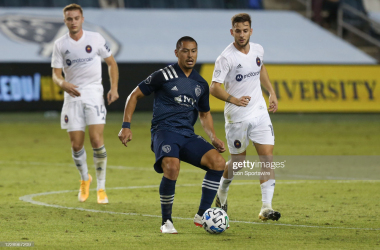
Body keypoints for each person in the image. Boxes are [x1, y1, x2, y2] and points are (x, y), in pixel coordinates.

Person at [118, 36, 226, 234]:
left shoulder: (200, 83)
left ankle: (202, 215)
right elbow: (134, 95)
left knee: (218, 163)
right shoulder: (163, 75)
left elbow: (204, 114)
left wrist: (213, 137)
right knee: (172, 167)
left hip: (186, 134)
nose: (190, 55)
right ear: (177, 53)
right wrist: (126, 125)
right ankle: (166, 221)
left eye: (193, 51)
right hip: (164, 131)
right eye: (185, 51)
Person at [210, 13, 281, 221]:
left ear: (251, 30)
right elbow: (214, 88)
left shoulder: (258, 49)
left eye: (245, 30)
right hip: (237, 117)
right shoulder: (226, 58)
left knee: (267, 158)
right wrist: (233, 99)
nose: (242, 34)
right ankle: (222, 192)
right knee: (238, 163)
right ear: (232, 32)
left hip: (259, 112)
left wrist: (271, 92)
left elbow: (260, 68)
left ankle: (266, 208)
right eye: (238, 31)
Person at [51, 4, 119, 204]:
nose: (73, 22)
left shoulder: (95, 38)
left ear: (82, 19)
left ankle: (101, 187)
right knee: (76, 144)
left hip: (93, 94)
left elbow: (112, 63)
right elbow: (55, 75)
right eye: (69, 19)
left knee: (97, 141)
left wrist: (113, 88)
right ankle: (84, 179)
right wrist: (63, 84)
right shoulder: (59, 45)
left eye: (76, 18)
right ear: (65, 21)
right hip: (72, 96)